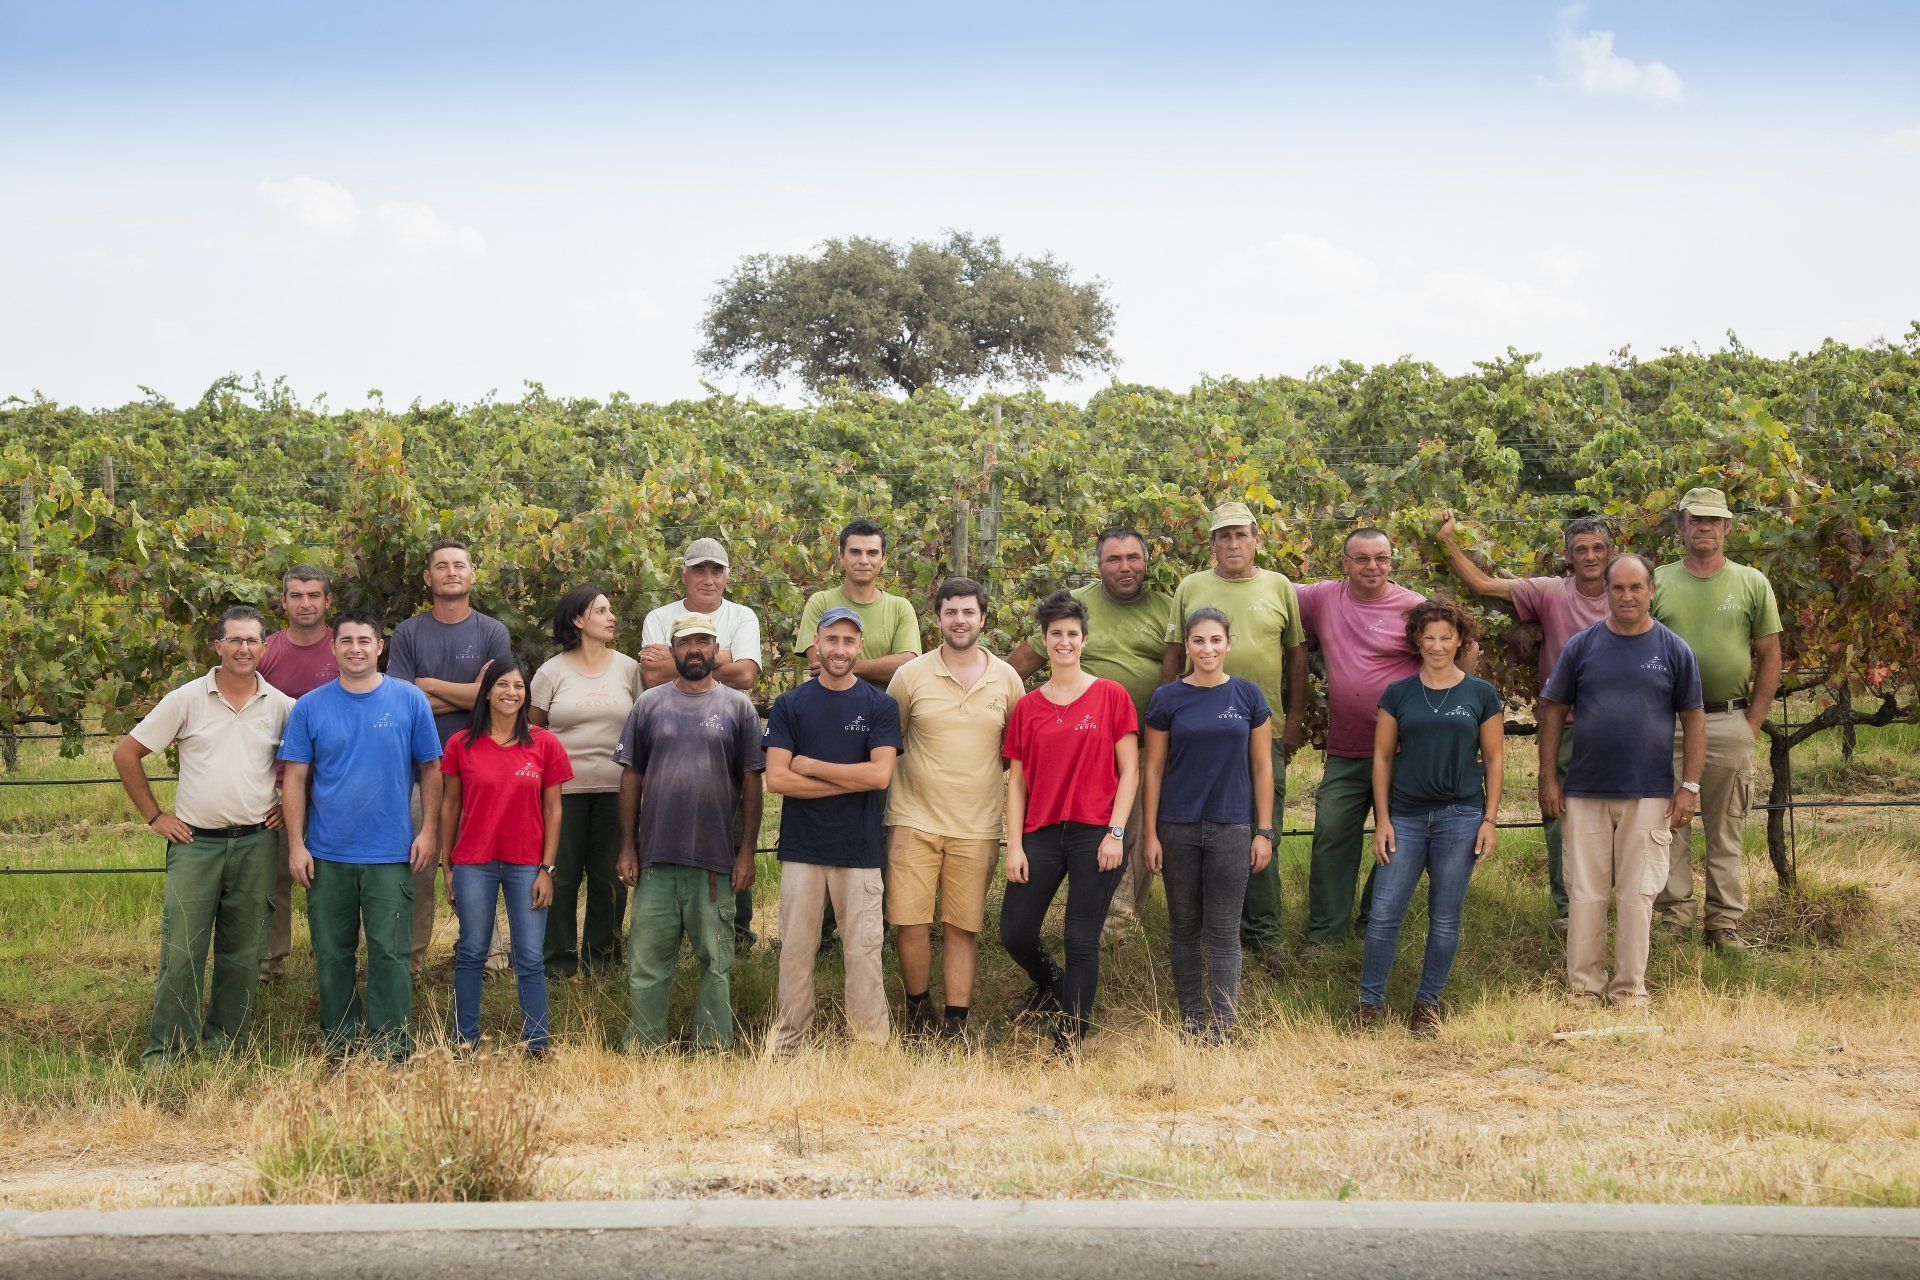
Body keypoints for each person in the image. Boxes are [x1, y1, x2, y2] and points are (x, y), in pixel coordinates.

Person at [112, 606, 293, 1067]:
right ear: (218, 646)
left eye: (252, 641)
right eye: (235, 640)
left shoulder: (282, 706)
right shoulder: (187, 699)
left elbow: (307, 767)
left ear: (264, 647)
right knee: (182, 950)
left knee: (243, 951)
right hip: (196, 845)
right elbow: (127, 753)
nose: (244, 649)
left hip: (255, 843)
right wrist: (155, 816)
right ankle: (166, 1052)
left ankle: (226, 1048)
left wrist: (287, 812)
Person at [1539, 556, 1704, 1006]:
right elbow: (1552, 711)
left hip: (1650, 793)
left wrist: (1689, 786)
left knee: (1638, 894)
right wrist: (1548, 778)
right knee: (1585, 892)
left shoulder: (1674, 650)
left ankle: (1630, 990)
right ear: (1607, 592)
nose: (1627, 596)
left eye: (1636, 587)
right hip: (1585, 789)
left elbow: (1693, 718)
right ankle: (1584, 988)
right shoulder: (1581, 646)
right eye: (1618, 588)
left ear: (1652, 591)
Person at [1437, 510, 1612, 935]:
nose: (1590, 556)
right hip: (1567, 726)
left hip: (1623, 728)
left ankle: (1621, 910)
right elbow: (1481, 585)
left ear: (1611, 553)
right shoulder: (1550, 592)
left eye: (1598, 548)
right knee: (1560, 817)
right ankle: (1569, 910)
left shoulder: (1631, 591)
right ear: (1569, 557)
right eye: (1581, 549)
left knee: (1625, 818)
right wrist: (1447, 543)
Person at [279, 611, 442, 1062]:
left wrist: (428, 830)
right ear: (333, 648)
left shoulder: (409, 701)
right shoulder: (310, 706)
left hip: (391, 853)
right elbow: (294, 779)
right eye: (346, 640)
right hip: (327, 853)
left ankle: (392, 1047)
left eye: (364, 640)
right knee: (332, 953)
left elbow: (431, 769)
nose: (355, 648)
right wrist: (296, 844)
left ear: (379, 646)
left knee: (391, 955)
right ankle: (341, 1044)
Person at [1162, 501, 1306, 973]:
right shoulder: (1191, 587)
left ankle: (1262, 933)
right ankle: (1206, 929)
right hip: (1199, 733)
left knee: (1263, 829)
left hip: (1261, 728)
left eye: (1241, 534)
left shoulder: (1279, 587)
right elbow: (1172, 654)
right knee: (1200, 828)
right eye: (1223, 536)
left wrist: (1296, 715)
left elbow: (1296, 656)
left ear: (1257, 539)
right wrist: (1164, 708)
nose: (1233, 543)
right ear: (1212, 545)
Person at [1352, 599, 1504, 1036]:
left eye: (1446, 637)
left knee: (1446, 914)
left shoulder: (1480, 693)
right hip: (1406, 817)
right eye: (1429, 637)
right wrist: (1382, 819)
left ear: (1460, 640)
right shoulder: (1397, 694)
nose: (1437, 646)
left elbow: (1494, 760)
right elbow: (1381, 759)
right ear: (1417, 641)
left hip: (1460, 817)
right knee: (1383, 913)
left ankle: (1428, 1003)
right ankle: (1369, 1003)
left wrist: (1489, 820)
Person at [614, 613, 765, 1051]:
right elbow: (631, 777)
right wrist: (628, 846)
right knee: (646, 961)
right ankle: (642, 1045)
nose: (694, 649)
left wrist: (747, 852)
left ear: (716, 649)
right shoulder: (649, 705)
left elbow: (753, 783)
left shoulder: (738, 707)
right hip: (656, 857)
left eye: (703, 641)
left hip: (715, 860)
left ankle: (713, 1048)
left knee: (716, 961)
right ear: (672, 649)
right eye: (684, 642)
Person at [1010, 528, 1172, 936]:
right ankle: (1097, 923)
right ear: (1098, 565)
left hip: (1143, 743)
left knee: (1133, 831)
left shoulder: (1167, 609)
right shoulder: (1077, 607)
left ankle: (1119, 926)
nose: (1125, 567)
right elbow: (1022, 662)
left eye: (1133, 557)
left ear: (1146, 561)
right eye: (1114, 559)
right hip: (1084, 745)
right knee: (1095, 831)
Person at [885, 578, 1026, 1039]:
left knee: (962, 927)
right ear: (938, 618)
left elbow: (1016, 753)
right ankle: (918, 1011)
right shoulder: (910, 677)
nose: (960, 620)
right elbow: (891, 742)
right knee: (910, 922)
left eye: (968, 612)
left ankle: (956, 1023)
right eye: (951, 612)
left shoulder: (1006, 679)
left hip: (977, 824)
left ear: (983, 619)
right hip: (912, 820)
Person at [1002, 590, 1141, 1049]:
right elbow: (1017, 783)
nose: (1064, 641)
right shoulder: (1027, 707)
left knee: (1080, 935)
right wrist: (1016, 845)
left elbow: (1130, 771)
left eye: (1073, 634)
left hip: (1096, 831)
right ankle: (1055, 987)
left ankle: (1073, 1031)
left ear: (1084, 640)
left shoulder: (1110, 696)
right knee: (1015, 932)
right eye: (1056, 634)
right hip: (1040, 832)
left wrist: (1116, 834)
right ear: (1045, 641)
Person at [763, 609, 902, 1056]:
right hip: (802, 848)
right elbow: (778, 780)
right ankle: (788, 1047)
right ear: (816, 645)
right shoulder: (790, 704)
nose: (839, 649)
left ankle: (869, 1049)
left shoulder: (879, 706)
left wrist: (813, 767)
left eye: (848, 641)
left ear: (860, 647)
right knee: (796, 952)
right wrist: (847, 778)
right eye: (831, 640)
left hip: (859, 849)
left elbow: (880, 777)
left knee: (862, 953)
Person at [1649, 487, 1782, 951]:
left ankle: (1723, 924)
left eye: (1713, 520)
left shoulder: (1751, 582)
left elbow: (1770, 657)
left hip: (1728, 722)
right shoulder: (1657, 582)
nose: (1704, 527)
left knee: (1726, 827)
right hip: (1668, 726)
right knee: (1669, 824)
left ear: (1727, 527)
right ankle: (1674, 919)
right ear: (1681, 527)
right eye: (1695, 519)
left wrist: (1752, 723)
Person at [1142, 607, 1273, 1042]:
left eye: (1215, 640)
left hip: (1232, 826)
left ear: (1229, 643)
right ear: (1187, 646)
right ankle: (1193, 1019)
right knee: (1184, 928)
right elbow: (1154, 769)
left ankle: (1223, 1024)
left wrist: (1264, 830)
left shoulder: (1248, 696)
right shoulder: (1167, 699)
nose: (1207, 649)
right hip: (1177, 827)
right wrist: (1150, 833)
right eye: (1198, 641)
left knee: (1223, 930)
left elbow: (1261, 767)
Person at [386, 539, 514, 973]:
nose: (451, 572)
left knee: (475, 863)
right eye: (441, 566)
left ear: (472, 574)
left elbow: (495, 697)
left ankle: (489, 957)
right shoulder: (408, 632)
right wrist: (467, 695)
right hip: (418, 768)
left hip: (477, 769)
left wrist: (429, 685)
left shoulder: (492, 631)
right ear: (428, 577)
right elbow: (401, 701)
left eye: (460, 565)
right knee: (418, 864)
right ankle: (412, 960)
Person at [1296, 528, 1425, 945]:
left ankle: (1375, 927)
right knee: (1333, 834)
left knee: (1399, 843)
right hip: (1348, 749)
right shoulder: (1321, 598)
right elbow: (1265, 589)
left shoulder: (1414, 607)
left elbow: (1465, 646)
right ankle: (1326, 936)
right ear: (1345, 562)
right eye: (1363, 558)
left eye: (1382, 558)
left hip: (1407, 750)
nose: (1374, 566)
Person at [438, 656, 572, 1055]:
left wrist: (547, 868)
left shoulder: (544, 743)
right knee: (473, 951)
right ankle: (466, 1041)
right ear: (487, 692)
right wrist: (448, 867)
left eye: (518, 686)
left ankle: (537, 1044)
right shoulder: (460, 744)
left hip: (526, 863)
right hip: (473, 862)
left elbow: (553, 810)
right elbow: (449, 807)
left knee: (530, 956)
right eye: (502, 685)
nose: (511, 693)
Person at [641, 538, 765, 947]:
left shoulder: (743, 615)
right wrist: (725, 656)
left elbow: (748, 676)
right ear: (683, 573)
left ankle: (736, 934)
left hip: (726, 741)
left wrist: (686, 665)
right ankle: (676, 933)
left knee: (733, 830)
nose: (708, 579)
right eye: (699, 570)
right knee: (669, 834)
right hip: (669, 742)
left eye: (716, 571)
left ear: (727, 576)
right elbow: (653, 677)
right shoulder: (658, 616)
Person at [531, 584, 642, 978]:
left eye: (611, 610)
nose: (612, 617)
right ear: (578, 620)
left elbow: (641, 728)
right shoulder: (551, 671)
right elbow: (535, 731)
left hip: (618, 792)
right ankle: (558, 967)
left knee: (610, 878)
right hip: (563, 794)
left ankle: (604, 965)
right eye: (601, 610)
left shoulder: (630, 669)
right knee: (559, 879)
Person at [255, 564, 337, 981]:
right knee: (277, 880)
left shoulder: (345, 649)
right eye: (297, 595)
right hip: (280, 785)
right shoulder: (264, 652)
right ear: (283, 602)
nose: (306, 603)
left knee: (336, 878)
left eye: (314, 595)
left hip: (336, 789)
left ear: (328, 601)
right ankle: (270, 965)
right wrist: (268, 789)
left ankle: (338, 960)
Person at [797, 518, 922, 687]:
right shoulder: (820, 602)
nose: (864, 560)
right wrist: (882, 668)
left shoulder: (900, 608)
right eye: (855, 552)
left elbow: (908, 666)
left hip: (884, 711)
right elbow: (821, 665)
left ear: (883, 559)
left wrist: (848, 665)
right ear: (841, 556)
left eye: (872, 553)